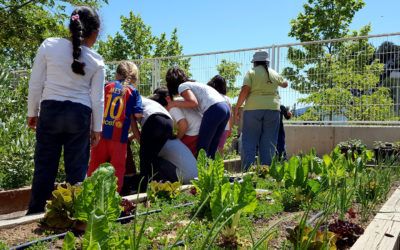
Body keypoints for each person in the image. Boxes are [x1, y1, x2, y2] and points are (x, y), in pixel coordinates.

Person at [26, 7, 104, 214]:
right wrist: (97, 128)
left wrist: (32, 112)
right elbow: (97, 98)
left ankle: (35, 213)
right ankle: (76, 215)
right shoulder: (97, 61)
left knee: (44, 165)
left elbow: (35, 83)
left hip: (50, 110)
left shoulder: (49, 45)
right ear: (95, 32)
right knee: (77, 170)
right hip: (79, 115)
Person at [87, 61, 143, 193]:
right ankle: (114, 196)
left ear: (117, 74)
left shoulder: (106, 86)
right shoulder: (133, 92)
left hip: (100, 134)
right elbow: (138, 114)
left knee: (95, 165)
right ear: (134, 76)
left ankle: (90, 194)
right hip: (119, 138)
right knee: (117, 169)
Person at [234, 50, 288, 171]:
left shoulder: (251, 72)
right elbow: (285, 84)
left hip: (253, 109)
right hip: (273, 109)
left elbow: (245, 90)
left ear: (255, 62)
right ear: (267, 62)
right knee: (269, 141)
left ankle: (247, 171)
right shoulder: (274, 73)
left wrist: (237, 107)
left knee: (250, 140)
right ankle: (266, 172)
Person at [166, 67, 230, 158]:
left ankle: (201, 171)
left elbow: (193, 103)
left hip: (214, 109)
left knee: (202, 148)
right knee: (213, 145)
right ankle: (210, 170)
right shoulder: (194, 84)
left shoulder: (182, 86)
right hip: (225, 108)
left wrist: (172, 103)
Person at [153, 86, 201, 156]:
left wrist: (177, 139)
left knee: (181, 152)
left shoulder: (172, 109)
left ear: (168, 99)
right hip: (197, 127)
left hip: (193, 131)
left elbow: (183, 125)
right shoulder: (176, 101)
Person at [138, 97, 174, 189]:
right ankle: (157, 185)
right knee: (153, 157)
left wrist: (141, 142)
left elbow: (132, 122)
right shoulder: (145, 101)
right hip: (169, 122)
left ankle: (143, 189)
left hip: (153, 119)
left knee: (145, 157)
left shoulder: (129, 98)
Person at [207, 75, 232, 155]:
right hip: (225, 127)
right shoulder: (226, 98)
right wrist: (230, 128)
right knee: (220, 149)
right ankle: (218, 166)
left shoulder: (211, 96)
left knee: (209, 147)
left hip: (212, 126)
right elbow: (230, 115)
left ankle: (209, 166)